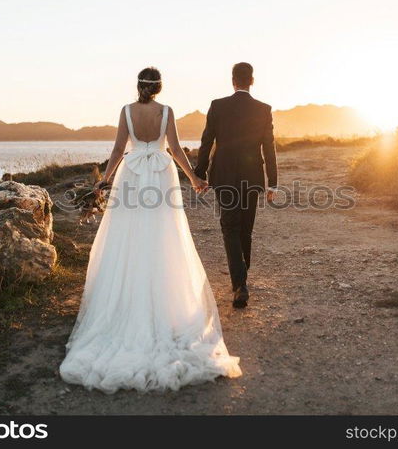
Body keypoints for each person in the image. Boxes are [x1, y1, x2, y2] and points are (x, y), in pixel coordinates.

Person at [59, 67, 241, 393]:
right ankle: (165, 304)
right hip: (160, 174)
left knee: (128, 236)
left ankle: (127, 304)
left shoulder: (126, 111)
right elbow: (175, 149)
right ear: (158, 87)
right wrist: (194, 178)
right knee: (163, 236)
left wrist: (104, 180)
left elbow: (117, 150)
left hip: (130, 173)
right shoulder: (166, 111)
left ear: (138, 86)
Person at [195, 62, 278, 308]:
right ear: (252, 81)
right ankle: (242, 279)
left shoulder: (218, 106)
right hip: (252, 177)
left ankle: (240, 284)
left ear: (233, 80)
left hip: (224, 176)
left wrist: (199, 173)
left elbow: (206, 141)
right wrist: (272, 182)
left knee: (230, 227)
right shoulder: (263, 109)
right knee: (245, 229)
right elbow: (269, 147)